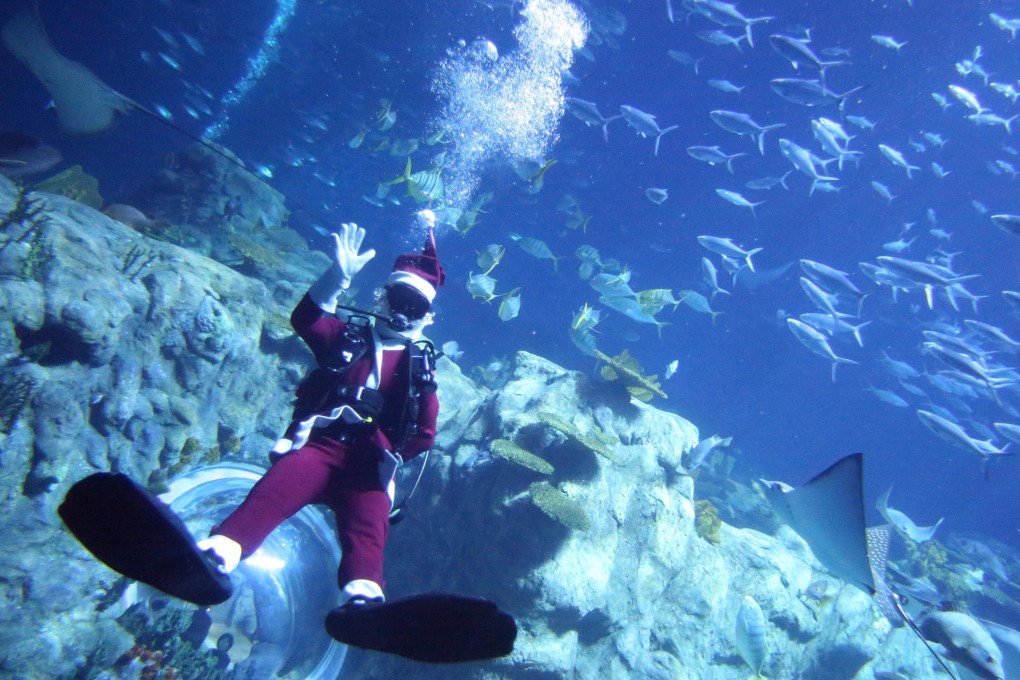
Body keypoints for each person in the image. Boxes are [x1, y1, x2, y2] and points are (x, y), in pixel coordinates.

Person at [196, 214, 444, 607]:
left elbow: (424, 434)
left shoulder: (420, 369)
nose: (402, 313)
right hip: (321, 447)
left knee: (369, 525)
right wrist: (336, 277)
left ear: (426, 317)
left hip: (371, 463)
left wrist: (389, 454)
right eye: (399, 300)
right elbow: (307, 319)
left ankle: (363, 596)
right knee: (273, 493)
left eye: (414, 308)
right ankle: (220, 551)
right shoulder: (351, 337)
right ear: (383, 297)